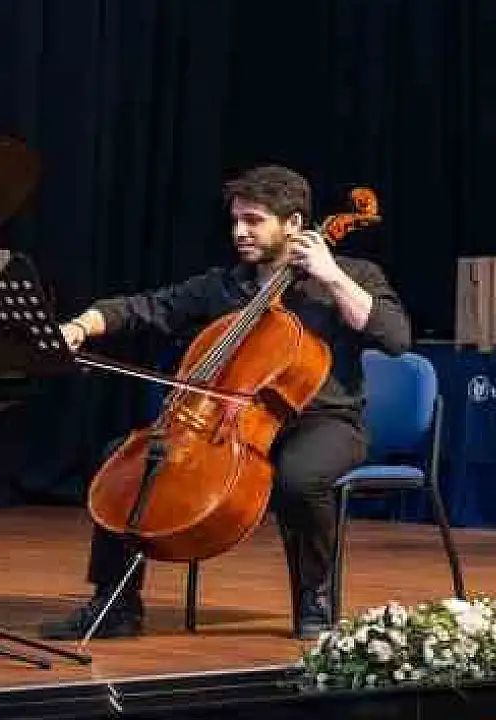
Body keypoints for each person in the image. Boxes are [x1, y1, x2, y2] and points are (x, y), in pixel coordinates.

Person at [39, 165, 411, 641]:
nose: (240, 232)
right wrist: (80, 326)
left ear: (294, 224)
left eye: (254, 220)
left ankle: (315, 599)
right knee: (127, 459)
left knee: (300, 479)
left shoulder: (354, 275)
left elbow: (395, 338)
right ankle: (114, 606)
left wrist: (332, 276)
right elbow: (146, 307)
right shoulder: (224, 286)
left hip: (324, 420)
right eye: (236, 220)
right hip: (231, 423)